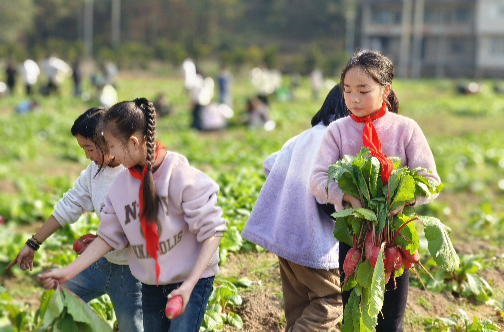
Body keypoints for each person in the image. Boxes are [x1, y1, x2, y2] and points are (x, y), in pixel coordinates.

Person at [38, 98, 227, 331]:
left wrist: (189, 285)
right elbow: (108, 238)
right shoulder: (120, 187)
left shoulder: (180, 175)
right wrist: (68, 272)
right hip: (152, 283)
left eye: (112, 145)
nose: (110, 152)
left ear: (134, 142)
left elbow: (214, 231)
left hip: (192, 278)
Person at [309, 50, 441, 332]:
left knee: (391, 320)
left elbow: (430, 179)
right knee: (354, 315)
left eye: (363, 90)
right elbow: (317, 179)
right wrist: (346, 197)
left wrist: (403, 199)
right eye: (347, 91)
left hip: (395, 238)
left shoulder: (406, 129)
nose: (353, 99)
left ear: (385, 90)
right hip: (354, 239)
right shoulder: (338, 131)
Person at [14, 107, 144, 332]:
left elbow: (140, 231)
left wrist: (100, 242)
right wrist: (33, 243)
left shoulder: (134, 174)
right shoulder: (94, 171)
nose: (87, 156)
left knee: (132, 328)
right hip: (101, 263)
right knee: (60, 298)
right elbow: (69, 205)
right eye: (83, 148)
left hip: (131, 272)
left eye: (90, 148)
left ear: (108, 141)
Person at [241, 85, 348, 332]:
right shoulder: (336, 139)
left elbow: (270, 164)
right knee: (331, 301)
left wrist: (291, 193)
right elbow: (330, 194)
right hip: (313, 241)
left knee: (299, 306)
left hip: (284, 236)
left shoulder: (304, 136)